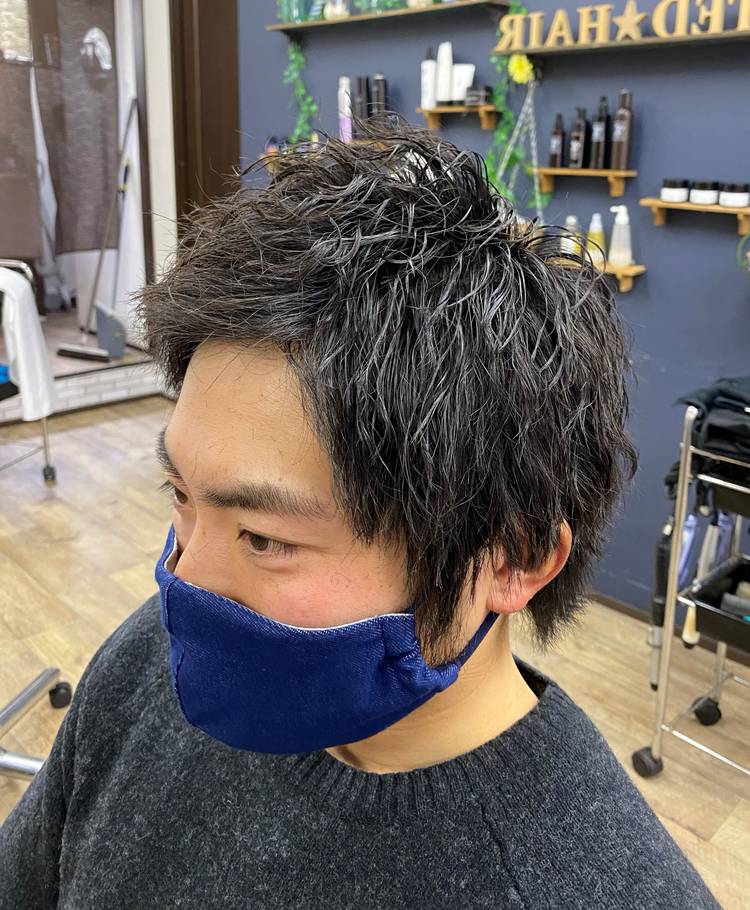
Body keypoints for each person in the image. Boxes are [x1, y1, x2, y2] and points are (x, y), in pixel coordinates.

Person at [0, 123, 720, 909]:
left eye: (263, 537)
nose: (181, 585)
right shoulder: (147, 663)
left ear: (510, 557)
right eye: (180, 495)